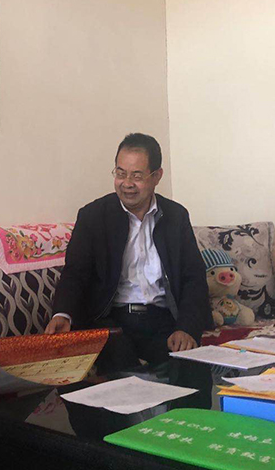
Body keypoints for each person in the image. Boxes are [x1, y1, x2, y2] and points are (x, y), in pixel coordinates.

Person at [45, 133, 212, 373]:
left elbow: (193, 277)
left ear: (156, 176)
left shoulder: (176, 216)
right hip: (111, 322)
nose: (127, 183)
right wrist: (64, 314)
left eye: (137, 176)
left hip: (164, 321)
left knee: (193, 373)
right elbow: (75, 274)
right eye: (120, 173)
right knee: (123, 375)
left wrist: (186, 327)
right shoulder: (93, 216)